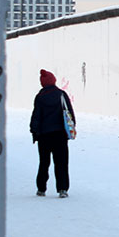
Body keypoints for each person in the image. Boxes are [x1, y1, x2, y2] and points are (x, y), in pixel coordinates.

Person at [29, 68, 75, 198]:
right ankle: (62, 189)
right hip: (60, 134)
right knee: (61, 162)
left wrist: (34, 131)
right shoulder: (61, 94)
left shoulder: (40, 97)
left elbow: (36, 116)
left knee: (44, 162)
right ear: (53, 80)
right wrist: (71, 127)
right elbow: (69, 112)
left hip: (44, 135)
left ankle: (41, 188)